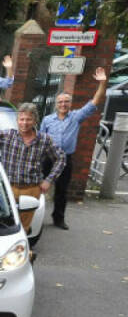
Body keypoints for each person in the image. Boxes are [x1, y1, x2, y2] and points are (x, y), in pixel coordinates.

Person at [0, 95, 64, 232]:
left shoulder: (45, 140)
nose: (24, 123)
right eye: (21, 119)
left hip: (31, 189)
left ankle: (22, 250)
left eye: (28, 119)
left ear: (35, 120)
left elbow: (61, 158)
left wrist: (49, 180)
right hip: (7, 188)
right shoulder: (8, 135)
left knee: (24, 226)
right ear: (17, 121)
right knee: (4, 223)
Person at [39, 67, 108, 230]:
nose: (63, 104)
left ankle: (58, 219)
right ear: (56, 104)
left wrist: (103, 83)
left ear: (70, 104)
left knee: (62, 191)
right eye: (60, 102)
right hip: (48, 159)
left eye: (66, 102)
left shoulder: (76, 117)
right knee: (38, 187)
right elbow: (40, 140)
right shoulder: (47, 120)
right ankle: (36, 217)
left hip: (65, 159)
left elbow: (95, 101)